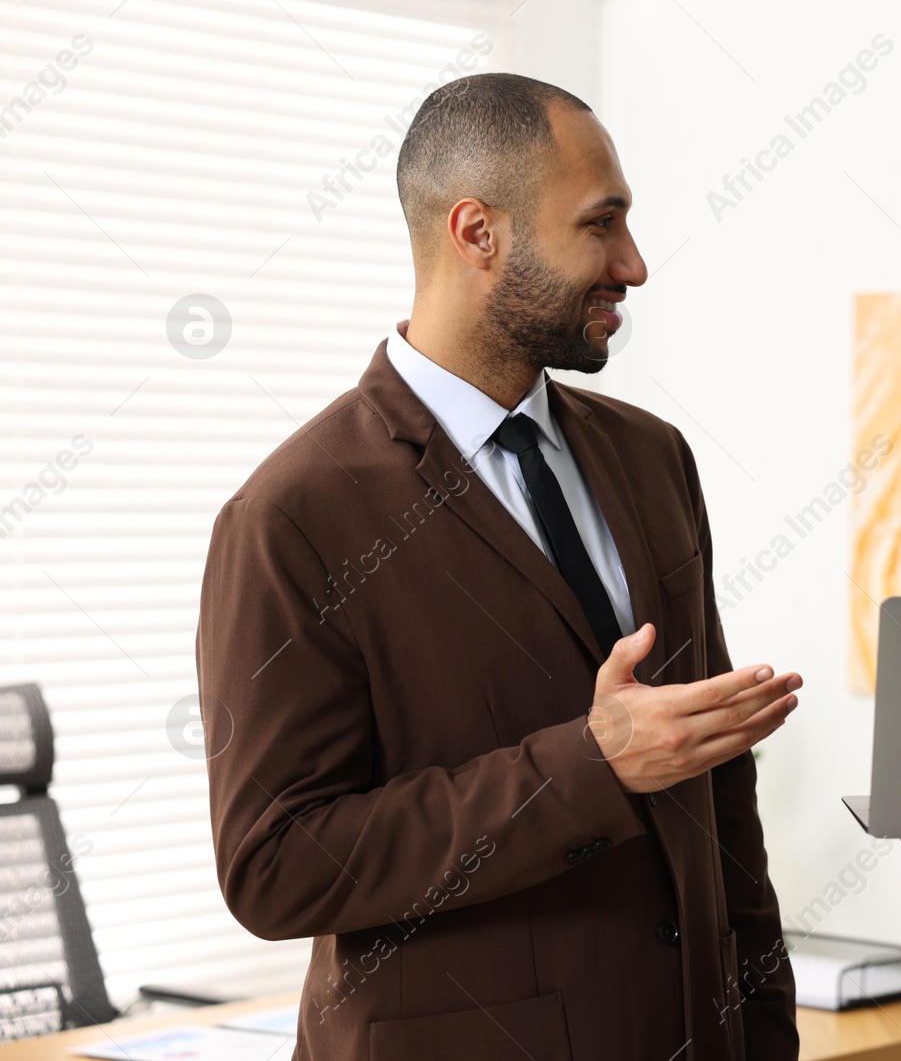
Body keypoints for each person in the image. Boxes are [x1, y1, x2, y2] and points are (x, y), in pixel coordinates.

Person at [198, 73, 802, 1060]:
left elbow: (716, 786)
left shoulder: (652, 458)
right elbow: (274, 866)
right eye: (599, 225)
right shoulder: (291, 513)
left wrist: (763, 1036)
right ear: (477, 232)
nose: (634, 265)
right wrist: (586, 765)